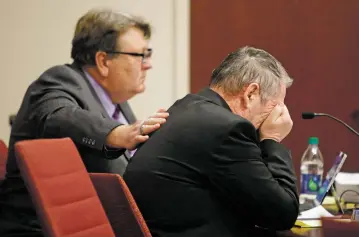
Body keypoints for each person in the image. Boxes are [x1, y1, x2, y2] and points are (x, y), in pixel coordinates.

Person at [0, 8, 169, 236]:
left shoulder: (117, 102)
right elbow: (58, 115)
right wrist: (117, 134)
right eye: (140, 55)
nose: (147, 64)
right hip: (36, 230)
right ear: (103, 61)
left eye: (148, 54)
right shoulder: (61, 80)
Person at [124, 46, 299, 237]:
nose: (278, 115)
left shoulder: (184, 108)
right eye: (276, 105)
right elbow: (282, 214)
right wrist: (272, 139)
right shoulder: (227, 129)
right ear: (251, 94)